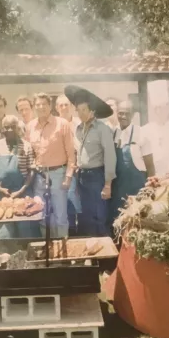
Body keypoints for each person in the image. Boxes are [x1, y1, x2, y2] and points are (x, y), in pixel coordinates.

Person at [65, 85, 117, 237]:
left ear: (92, 111)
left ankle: (105, 258)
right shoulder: (79, 129)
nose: (80, 114)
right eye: (79, 110)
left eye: (84, 110)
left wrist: (107, 184)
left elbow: (110, 157)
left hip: (97, 178)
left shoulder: (102, 129)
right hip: (82, 178)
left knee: (99, 217)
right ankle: (91, 256)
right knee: (85, 218)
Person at [26, 93, 76, 238]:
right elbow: (29, 153)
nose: (41, 107)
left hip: (58, 174)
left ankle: (63, 252)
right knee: (41, 215)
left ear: (50, 106)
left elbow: (71, 154)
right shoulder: (30, 127)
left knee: (60, 216)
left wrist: (68, 177)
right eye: (38, 105)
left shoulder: (62, 124)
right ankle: (47, 250)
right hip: (39, 177)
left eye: (44, 104)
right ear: (34, 107)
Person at [0, 115, 37, 239]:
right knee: (3, 233)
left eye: (12, 127)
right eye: (6, 127)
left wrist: (22, 190)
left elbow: (31, 171)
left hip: (22, 193)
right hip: (1, 194)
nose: (9, 130)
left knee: (25, 230)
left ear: (17, 128)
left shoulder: (26, 146)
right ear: (2, 129)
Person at [109, 100, 155, 226]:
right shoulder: (112, 133)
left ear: (133, 115)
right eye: (120, 113)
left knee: (135, 224)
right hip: (117, 189)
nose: (123, 116)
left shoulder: (141, 134)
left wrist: (151, 188)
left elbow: (150, 166)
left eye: (127, 114)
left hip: (136, 189)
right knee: (117, 224)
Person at [55, 93, 82, 235]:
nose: (64, 107)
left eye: (66, 104)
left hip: (81, 168)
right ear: (56, 108)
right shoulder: (54, 124)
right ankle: (70, 234)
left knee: (80, 204)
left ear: (71, 107)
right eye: (61, 105)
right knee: (67, 202)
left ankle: (81, 234)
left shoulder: (79, 123)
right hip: (63, 169)